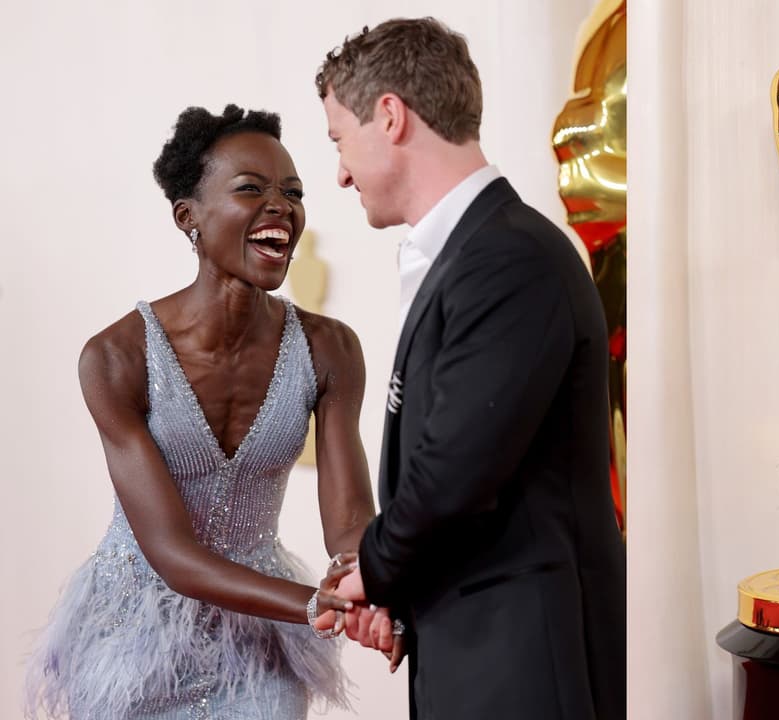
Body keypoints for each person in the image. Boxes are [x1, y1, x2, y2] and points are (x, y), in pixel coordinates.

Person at [314, 17, 626, 719]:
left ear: (389, 116)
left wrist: (374, 569)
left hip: (520, 660)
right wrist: (392, 583)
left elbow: (454, 474)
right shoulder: (481, 252)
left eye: (340, 140)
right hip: (478, 645)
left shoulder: (509, 259)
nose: (338, 172)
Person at [24, 105, 376, 720]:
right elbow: (172, 553)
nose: (281, 207)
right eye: (251, 189)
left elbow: (349, 521)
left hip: (261, 645)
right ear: (189, 217)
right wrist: (318, 602)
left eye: (292, 193)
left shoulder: (330, 348)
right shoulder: (116, 357)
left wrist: (366, 578)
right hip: (132, 639)